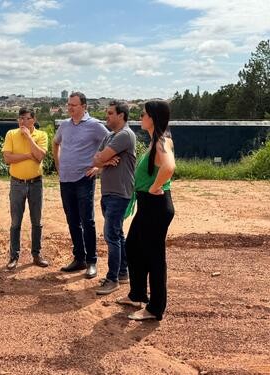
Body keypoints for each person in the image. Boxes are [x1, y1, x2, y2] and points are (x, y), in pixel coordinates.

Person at [116, 100, 175, 321]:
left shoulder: (161, 141)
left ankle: (155, 308)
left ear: (152, 117)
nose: (140, 117)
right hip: (149, 205)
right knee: (133, 246)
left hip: (155, 205)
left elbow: (169, 167)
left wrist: (154, 187)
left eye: (142, 114)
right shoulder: (157, 141)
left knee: (154, 257)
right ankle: (137, 294)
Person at [53, 92, 109, 279]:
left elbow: (113, 142)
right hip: (65, 180)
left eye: (74, 105)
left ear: (84, 106)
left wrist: (98, 167)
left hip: (84, 180)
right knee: (72, 220)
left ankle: (92, 261)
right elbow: (55, 143)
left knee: (87, 221)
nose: (70, 108)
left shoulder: (95, 126)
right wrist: (58, 165)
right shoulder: (64, 125)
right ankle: (79, 258)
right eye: (68, 105)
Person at [92, 100, 136, 295]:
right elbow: (95, 159)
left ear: (121, 115)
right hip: (109, 192)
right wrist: (107, 160)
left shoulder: (125, 135)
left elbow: (99, 158)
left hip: (119, 193)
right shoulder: (110, 136)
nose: (107, 116)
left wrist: (104, 159)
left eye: (110, 113)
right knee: (117, 234)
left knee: (111, 235)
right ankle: (123, 272)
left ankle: (113, 279)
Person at [2, 107, 49, 270]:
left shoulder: (41, 135)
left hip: (36, 183)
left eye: (26, 118)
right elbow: (8, 158)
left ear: (33, 120)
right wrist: (28, 155)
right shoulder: (11, 134)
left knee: (36, 221)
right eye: (20, 118)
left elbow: (40, 156)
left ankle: (36, 254)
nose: (22, 121)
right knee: (16, 222)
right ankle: (14, 256)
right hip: (16, 183)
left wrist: (29, 137)